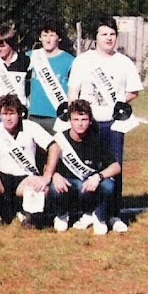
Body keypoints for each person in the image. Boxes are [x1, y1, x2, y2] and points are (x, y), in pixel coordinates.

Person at [68, 16, 143, 227]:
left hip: (114, 123)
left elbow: (133, 91)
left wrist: (119, 102)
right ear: (96, 37)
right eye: (104, 34)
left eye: (112, 34)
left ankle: (113, 214)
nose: (109, 38)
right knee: (88, 167)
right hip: (89, 122)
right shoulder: (83, 60)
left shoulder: (123, 61)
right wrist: (74, 116)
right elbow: (73, 91)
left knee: (113, 167)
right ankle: (89, 212)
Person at [0, 94, 60, 228]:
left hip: (24, 178)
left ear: (19, 114)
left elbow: (54, 147)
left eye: (12, 113)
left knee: (41, 187)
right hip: (2, 179)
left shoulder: (31, 127)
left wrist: (47, 176)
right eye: (4, 114)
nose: (8, 118)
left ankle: (31, 218)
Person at [49, 100, 122, 235]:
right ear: (69, 120)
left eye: (84, 119)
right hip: (69, 185)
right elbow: (46, 166)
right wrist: (55, 175)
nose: (80, 123)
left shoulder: (96, 139)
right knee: (54, 187)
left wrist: (98, 177)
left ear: (90, 121)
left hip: (89, 186)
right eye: (76, 119)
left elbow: (116, 166)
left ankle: (98, 216)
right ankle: (62, 215)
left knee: (108, 186)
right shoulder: (60, 139)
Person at [27, 18, 75, 135]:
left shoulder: (70, 61)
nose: (48, 39)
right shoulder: (30, 57)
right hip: (34, 116)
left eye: (52, 35)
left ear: (59, 37)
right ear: (40, 37)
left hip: (58, 117)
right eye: (45, 35)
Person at [0, 25, 30, 129]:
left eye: (2, 46)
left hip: (17, 114)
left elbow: (28, 87)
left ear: (10, 44)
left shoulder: (25, 61)